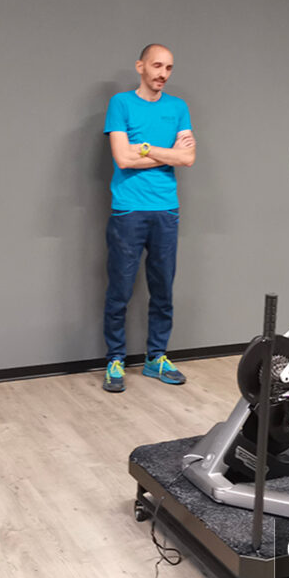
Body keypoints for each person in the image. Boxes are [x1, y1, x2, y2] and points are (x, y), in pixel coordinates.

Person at [102, 43, 196, 392]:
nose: (163, 74)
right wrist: (168, 153)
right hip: (128, 210)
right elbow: (122, 159)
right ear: (140, 66)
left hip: (166, 210)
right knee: (120, 290)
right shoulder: (121, 104)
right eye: (157, 66)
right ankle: (115, 359)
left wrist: (143, 148)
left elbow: (188, 159)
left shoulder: (178, 107)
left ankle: (156, 358)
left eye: (169, 68)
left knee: (163, 290)